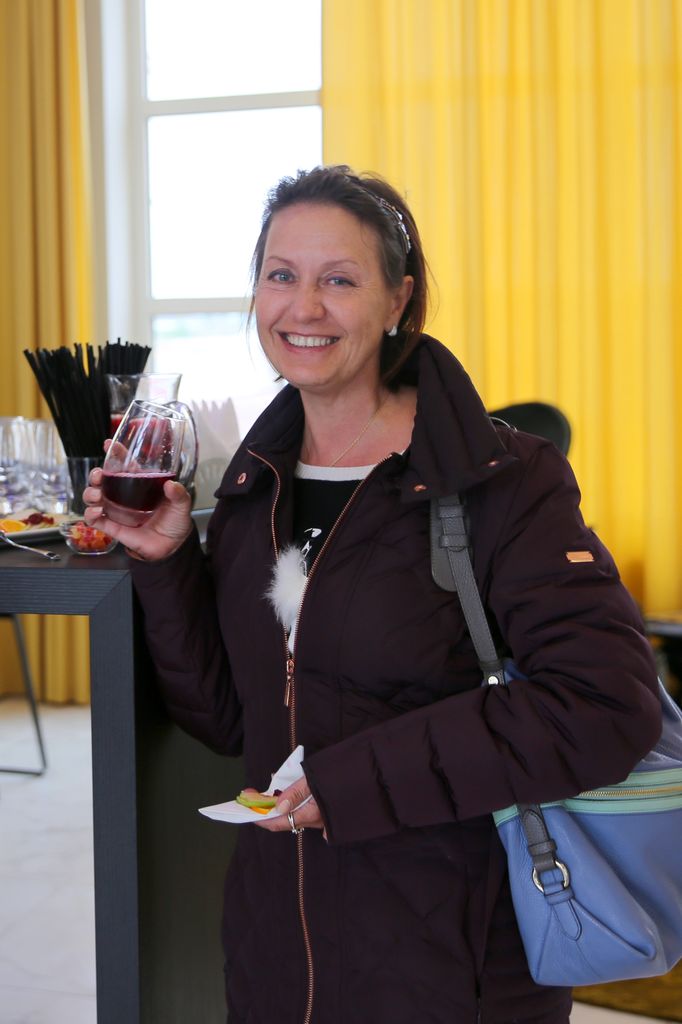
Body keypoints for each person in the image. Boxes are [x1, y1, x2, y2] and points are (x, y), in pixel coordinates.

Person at [83, 165, 661, 1023]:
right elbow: (231, 723)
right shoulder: (253, 486)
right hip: (275, 952)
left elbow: (604, 706)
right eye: (281, 275)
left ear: (399, 299)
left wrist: (350, 783)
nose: (303, 307)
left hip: (449, 962)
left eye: (340, 280)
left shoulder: (503, 480)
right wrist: (166, 562)